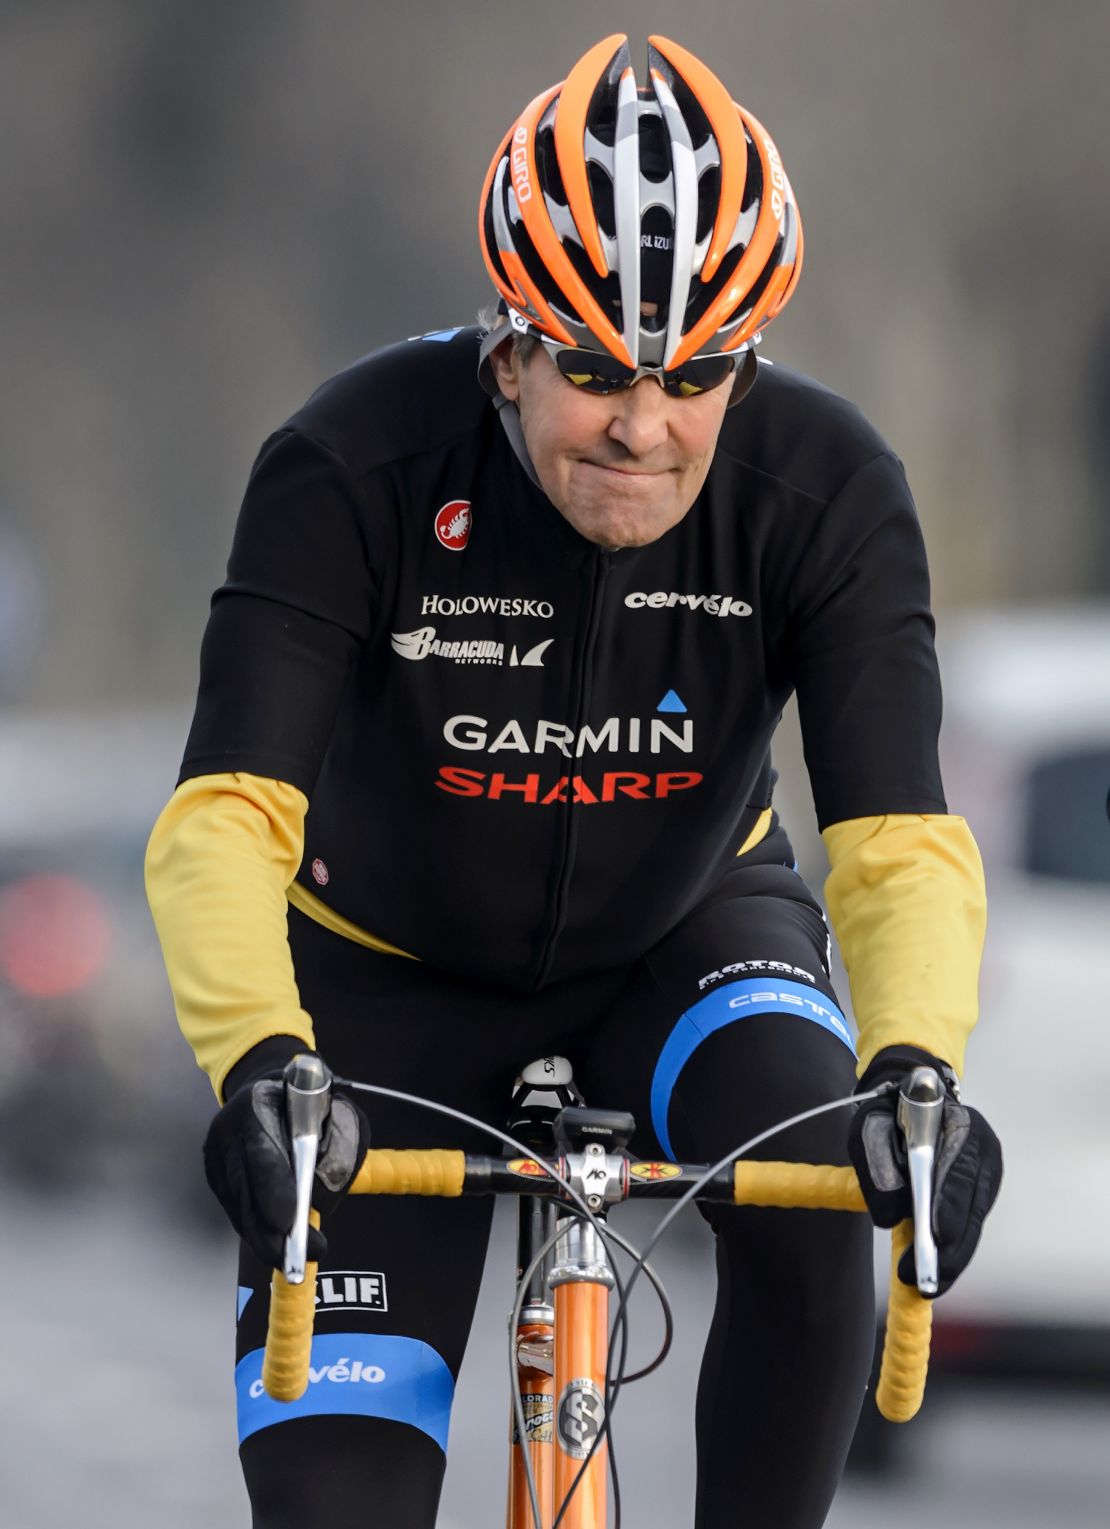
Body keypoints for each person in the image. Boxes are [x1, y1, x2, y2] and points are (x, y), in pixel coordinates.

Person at [146, 32, 1001, 1529]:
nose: (644, 424)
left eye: (697, 376)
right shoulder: (352, 464)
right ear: (508, 343)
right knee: (336, 1504)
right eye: (595, 366)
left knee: (821, 1210)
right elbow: (223, 817)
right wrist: (261, 1061)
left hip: (684, 940)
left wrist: (916, 1068)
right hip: (379, 984)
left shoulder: (823, 487)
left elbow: (895, 838)